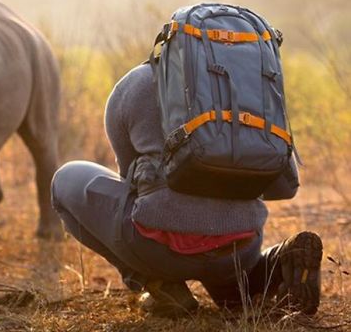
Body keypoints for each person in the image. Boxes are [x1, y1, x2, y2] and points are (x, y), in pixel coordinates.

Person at [51, 64, 323, 317]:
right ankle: (276, 261)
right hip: (239, 248)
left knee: (65, 179)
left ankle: (158, 285)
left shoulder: (135, 84)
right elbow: (286, 185)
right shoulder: (253, 87)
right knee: (234, 295)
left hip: (156, 248)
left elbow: (128, 182)